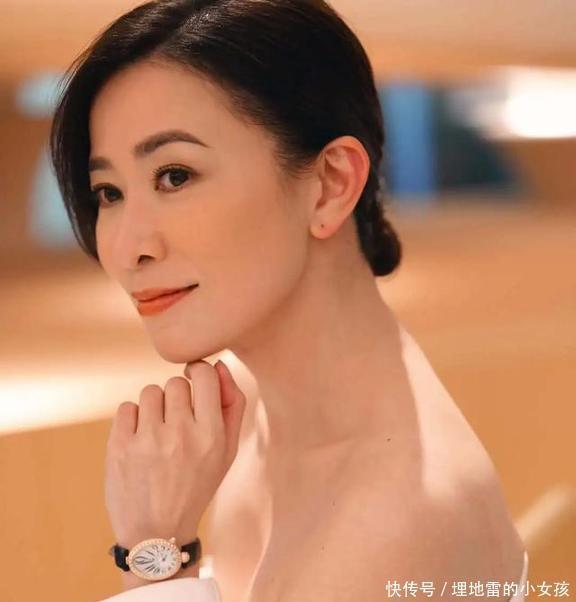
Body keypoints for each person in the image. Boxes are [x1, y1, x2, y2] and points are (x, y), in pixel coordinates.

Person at [49, 0, 529, 600]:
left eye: (175, 176)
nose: (127, 249)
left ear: (331, 184)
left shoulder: (391, 519)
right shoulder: (253, 416)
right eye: (109, 192)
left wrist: (154, 550)